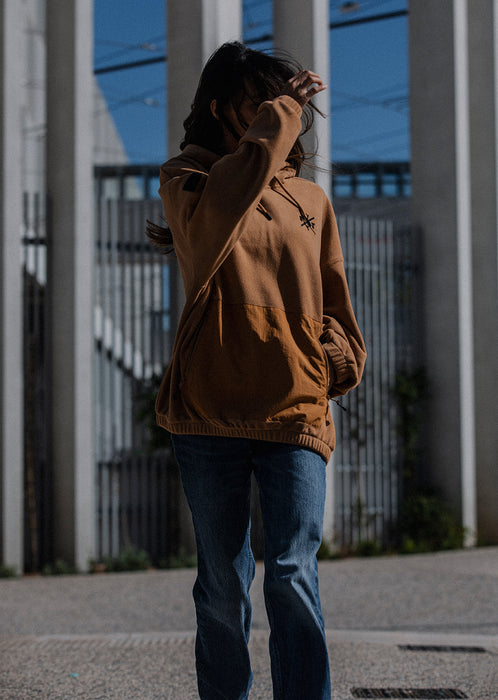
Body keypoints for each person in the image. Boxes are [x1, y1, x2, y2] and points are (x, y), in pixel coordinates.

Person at [147, 41, 366, 700]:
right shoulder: (187, 181)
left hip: (294, 405)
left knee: (293, 574)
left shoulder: (310, 200)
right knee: (223, 583)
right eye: (260, 105)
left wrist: (331, 357)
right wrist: (282, 116)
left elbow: (336, 303)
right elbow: (225, 211)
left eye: (282, 105)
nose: (277, 115)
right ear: (220, 109)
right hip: (207, 408)